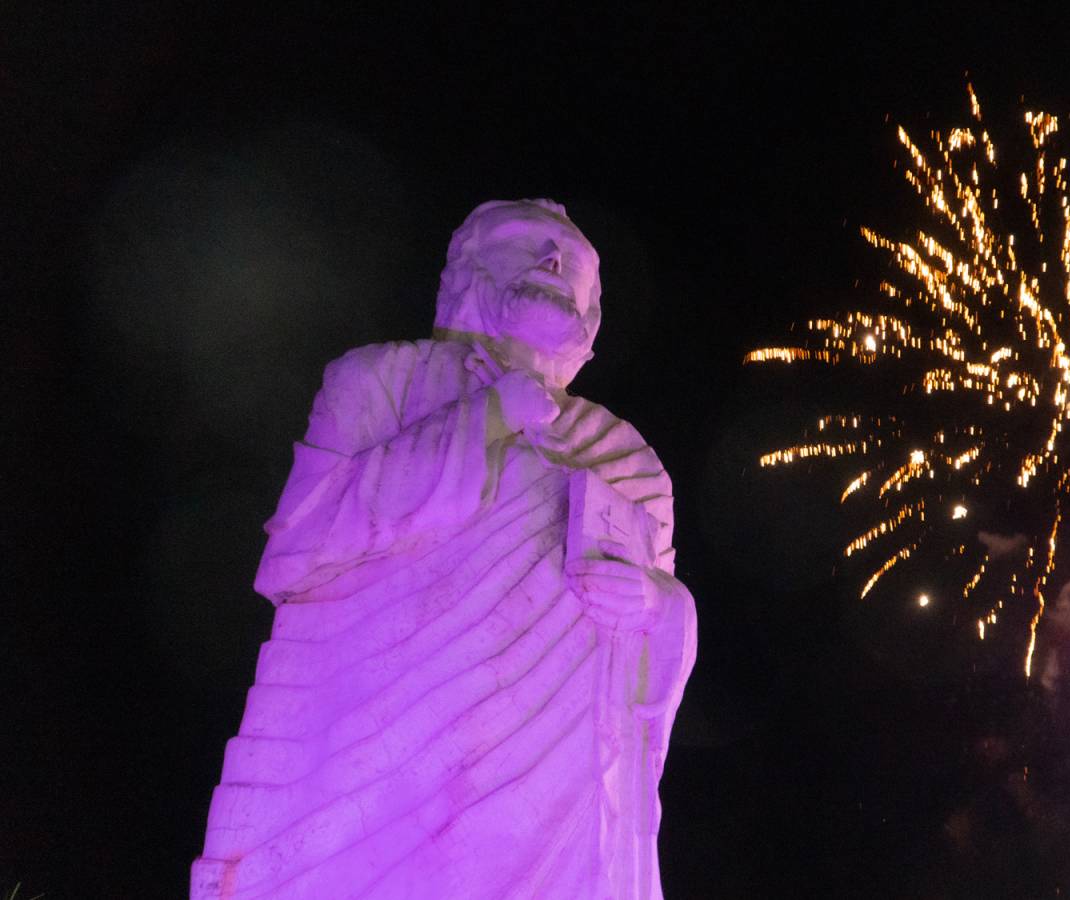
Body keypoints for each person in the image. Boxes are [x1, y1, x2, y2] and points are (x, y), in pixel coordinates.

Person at [192, 199, 696, 899]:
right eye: (529, 245)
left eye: (572, 262)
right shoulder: (382, 382)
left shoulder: (627, 461)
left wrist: (652, 604)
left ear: (594, 316)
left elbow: (655, 652)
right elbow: (302, 543)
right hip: (378, 765)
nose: (553, 262)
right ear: (467, 271)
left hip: (556, 801)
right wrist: (490, 418)